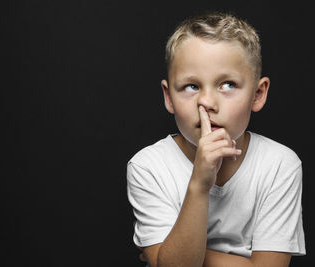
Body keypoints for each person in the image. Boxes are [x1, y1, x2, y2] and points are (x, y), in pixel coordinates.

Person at [126, 11, 305, 267]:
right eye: (191, 86)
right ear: (169, 97)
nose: (207, 102)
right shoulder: (148, 166)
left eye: (228, 84)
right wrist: (199, 184)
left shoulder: (280, 164)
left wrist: (174, 254)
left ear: (257, 94)